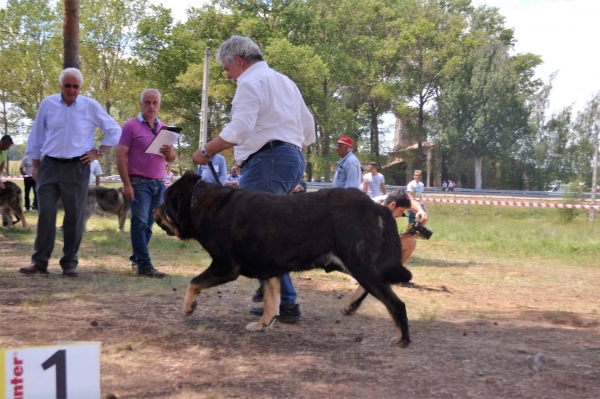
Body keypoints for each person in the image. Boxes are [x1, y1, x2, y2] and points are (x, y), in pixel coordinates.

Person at [192, 35, 315, 322]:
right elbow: (308, 130)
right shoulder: (285, 81)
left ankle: (285, 302)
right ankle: (271, 292)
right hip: (290, 159)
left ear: (239, 60)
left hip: (267, 162)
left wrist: (205, 150)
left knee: (255, 234)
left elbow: (239, 130)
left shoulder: (249, 83)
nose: (228, 76)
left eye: (226, 69)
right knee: (266, 232)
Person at [19, 68, 121, 277]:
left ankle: (69, 263)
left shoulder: (90, 106)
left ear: (80, 88)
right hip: (49, 165)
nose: (71, 90)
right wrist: (36, 166)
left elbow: (114, 130)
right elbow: (36, 136)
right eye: (68, 85)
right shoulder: (48, 104)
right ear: (61, 86)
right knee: (45, 213)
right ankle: (39, 262)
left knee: (74, 216)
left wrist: (99, 152)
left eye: (75, 86)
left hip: (77, 168)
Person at [116, 88, 176, 278]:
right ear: (141, 104)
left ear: (159, 105)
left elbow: (172, 157)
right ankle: (144, 265)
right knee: (140, 223)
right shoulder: (130, 127)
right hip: (139, 182)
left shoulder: (165, 128)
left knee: (149, 224)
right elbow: (120, 156)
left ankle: (137, 259)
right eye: (147, 102)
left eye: (155, 103)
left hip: (159, 183)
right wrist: (127, 184)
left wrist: (170, 154)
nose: (151, 106)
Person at [373, 190, 428, 264]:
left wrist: (420, 211)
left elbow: (410, 202)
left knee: (410, 242)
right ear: (393, 205)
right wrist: (406, 236)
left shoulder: (388, 200)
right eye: (401, 211)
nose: (400, 215)